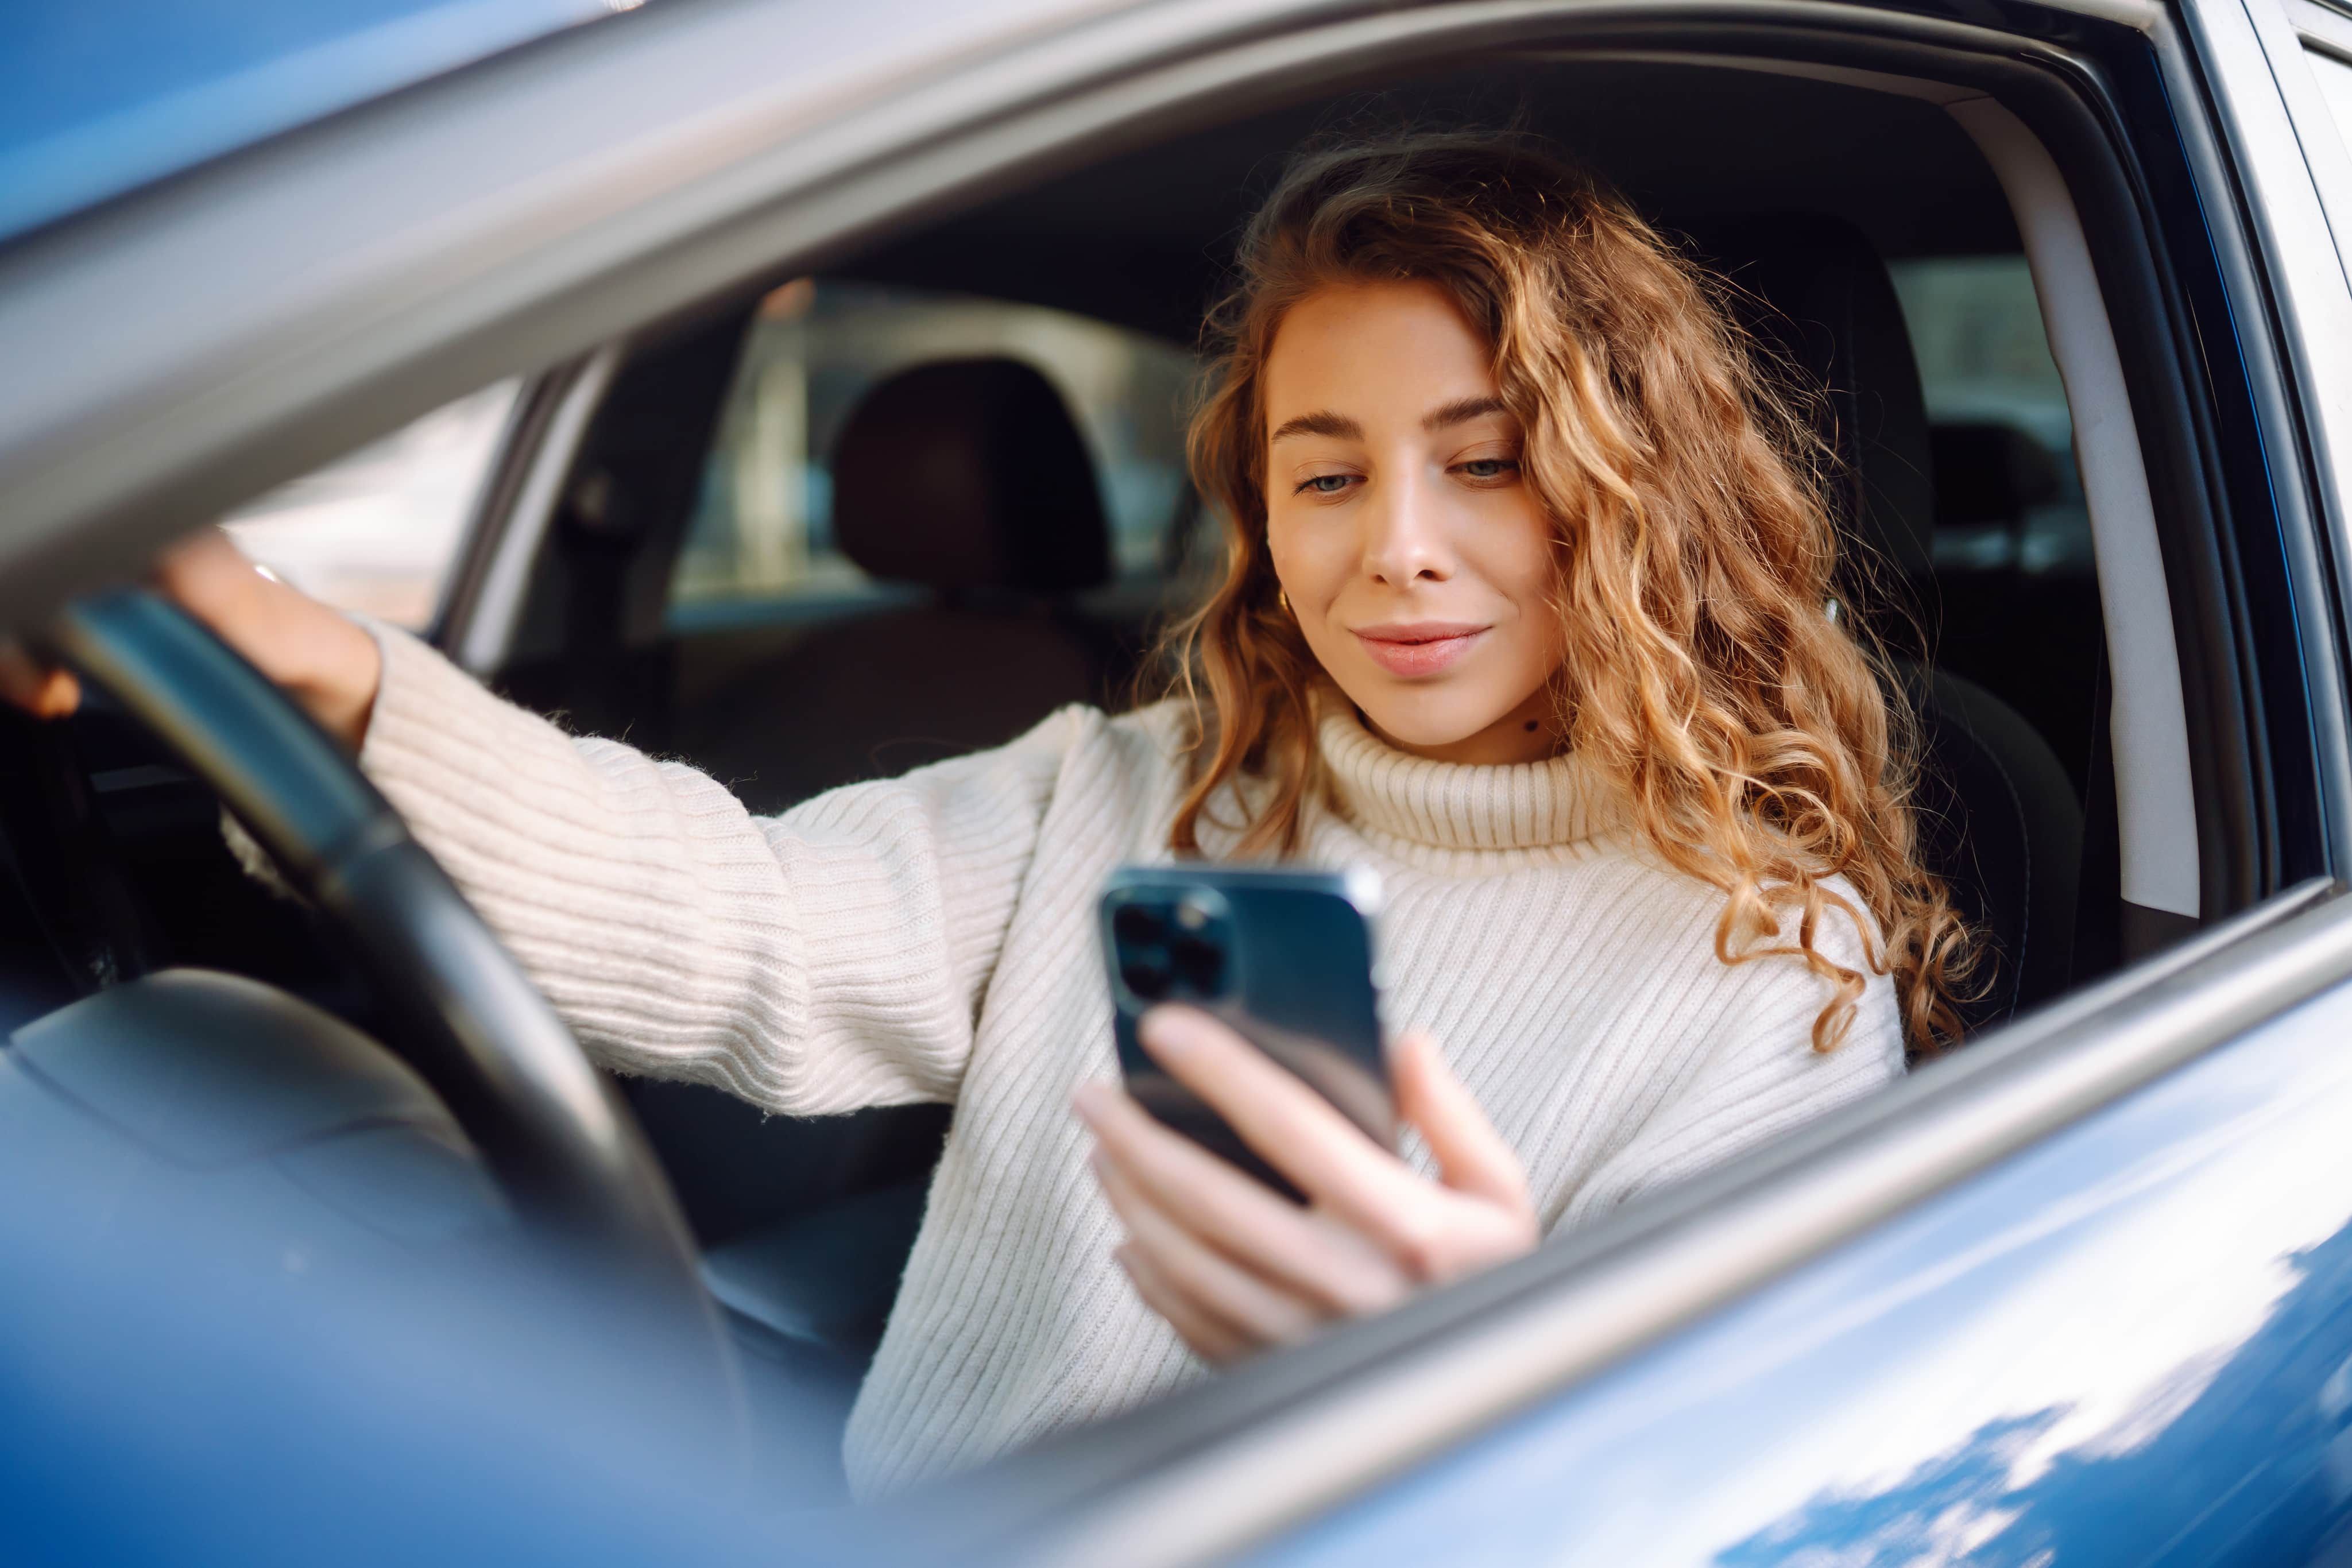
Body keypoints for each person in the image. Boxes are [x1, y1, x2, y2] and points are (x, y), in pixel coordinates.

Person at [4, 129, 1972, 1496]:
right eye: (1324, 474)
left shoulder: (1762, 976)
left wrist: (1485, 1375)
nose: (1401, 552)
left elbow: (1725, 1490)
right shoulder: (1139, 784)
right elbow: (742, 918)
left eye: (1488, 462)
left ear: (1631, 494)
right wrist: (329, 664)